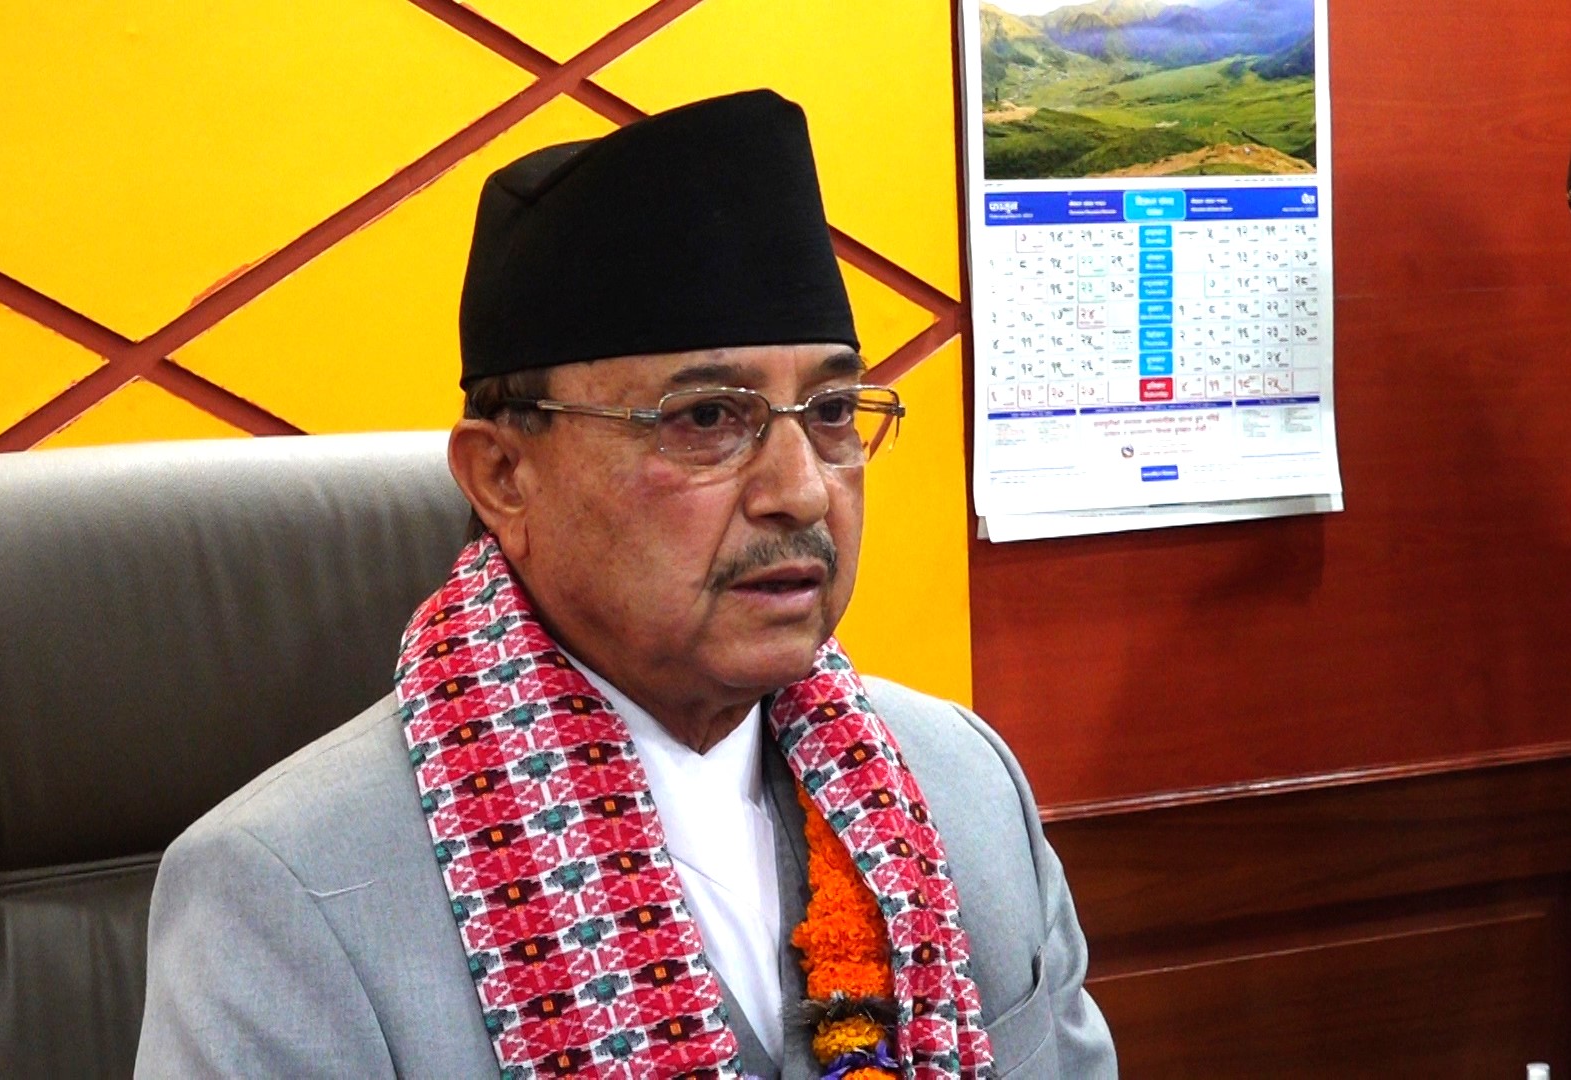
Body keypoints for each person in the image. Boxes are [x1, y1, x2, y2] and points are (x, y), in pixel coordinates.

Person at [136, 89, 1115, 1079]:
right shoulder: (287, 897)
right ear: (503, 476)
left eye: (829, 412)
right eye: (706, 420)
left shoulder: (959, 781)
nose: (802, 491)